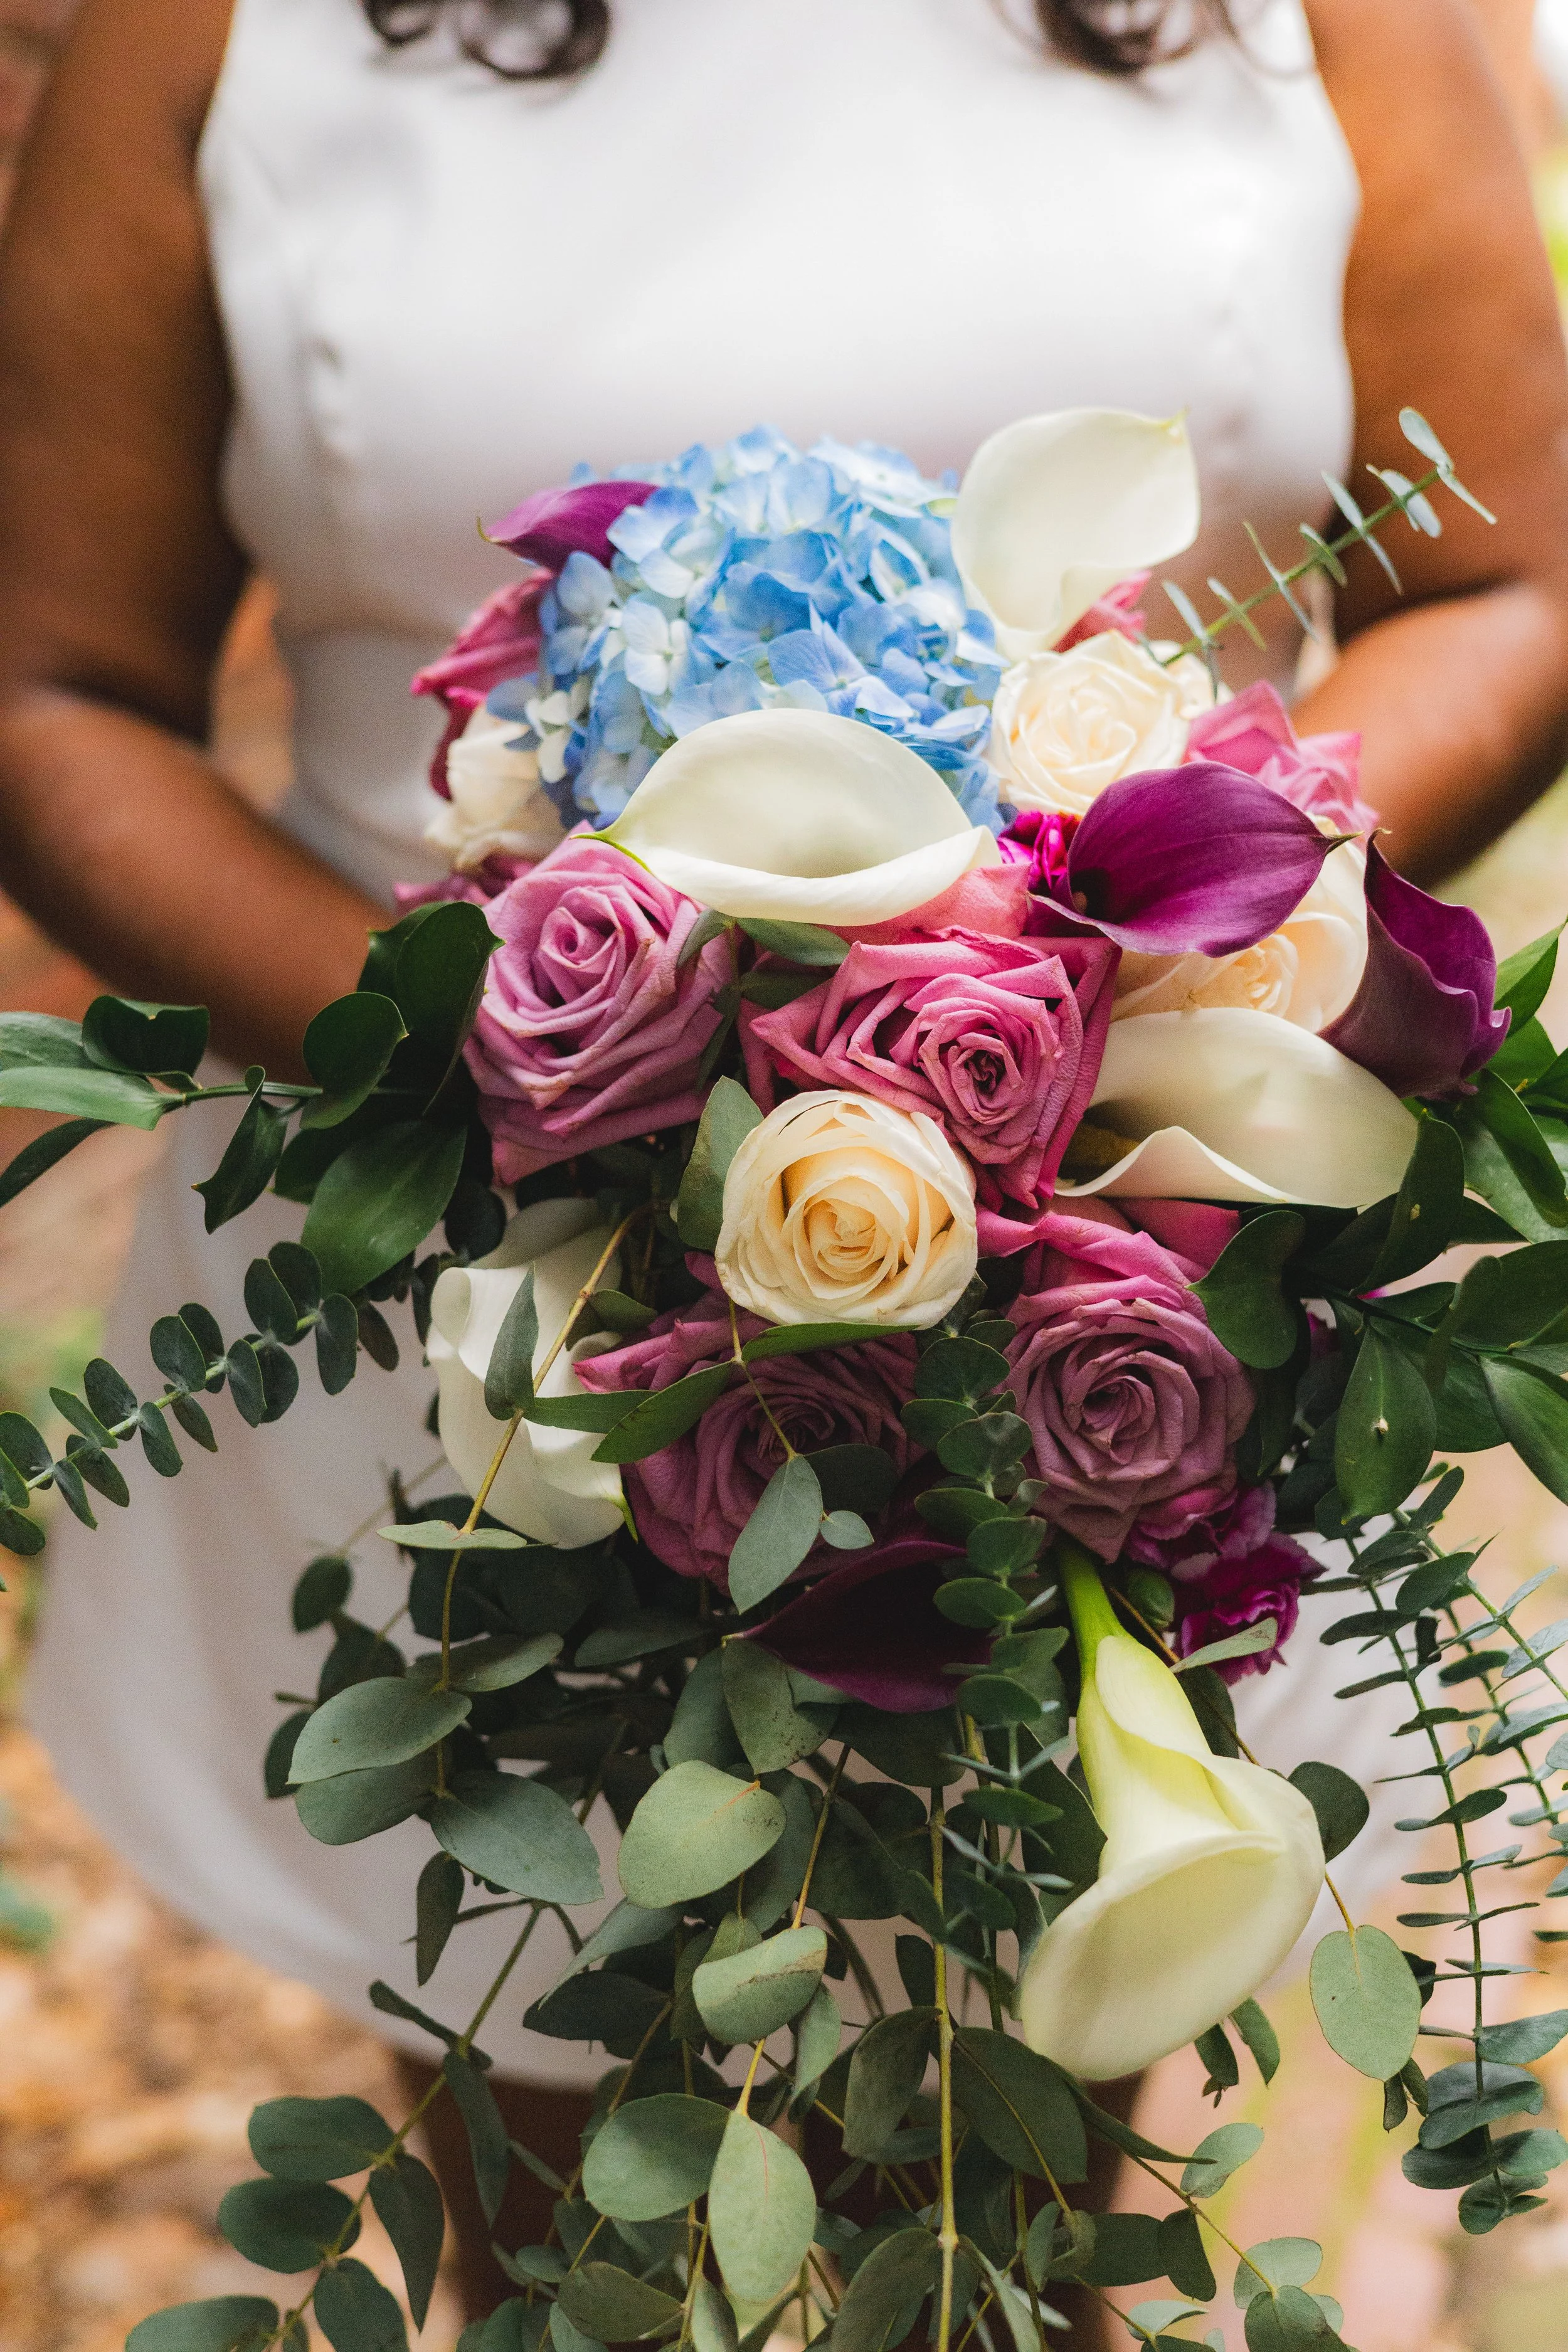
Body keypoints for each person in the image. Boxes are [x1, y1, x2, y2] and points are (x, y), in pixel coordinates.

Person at [2, 0, 1568, 2329]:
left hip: (1125, 1283)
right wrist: (571, 1076)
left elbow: (1506, 573)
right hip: (472, 1321)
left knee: (1028, 2170)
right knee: (569, 2204)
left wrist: (1076, 987)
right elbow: (54, 691)